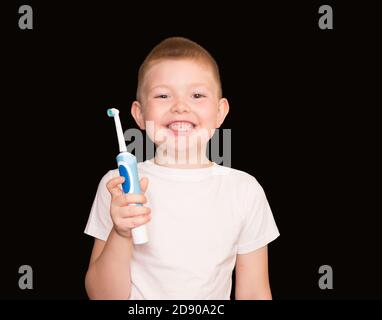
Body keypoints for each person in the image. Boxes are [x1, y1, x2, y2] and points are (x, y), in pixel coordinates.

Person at [84, 37, 280, 299]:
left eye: (197, 95)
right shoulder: (118, 186)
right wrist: (121, 234)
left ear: (220, 112)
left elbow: (255, 292)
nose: (179, 106)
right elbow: (102, 296)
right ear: (139, 114)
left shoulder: (244, 190)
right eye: (163, 95)